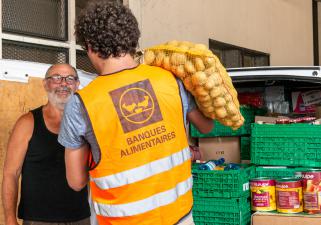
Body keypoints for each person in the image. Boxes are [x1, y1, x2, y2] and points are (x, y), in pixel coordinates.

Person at [58, 1, 214, 225]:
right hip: (181, 217)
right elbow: (207, 127)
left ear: (89, 45)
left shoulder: (81, 104)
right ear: (131, 37)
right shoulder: (170, 79)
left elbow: (76, 181)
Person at [2, 64, 91, 225]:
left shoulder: (86, 123)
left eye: (70, 78)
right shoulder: (27, 123)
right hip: (38, 220)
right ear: (45, 84)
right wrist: (9, 219)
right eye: (56, 78)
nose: (64, 83)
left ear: (77, 85)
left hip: (81, 218)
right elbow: (11, 174)